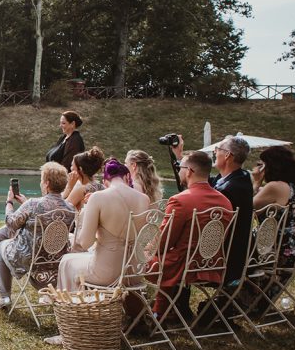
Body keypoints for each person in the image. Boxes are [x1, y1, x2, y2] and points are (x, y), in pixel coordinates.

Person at [0, 162, 75, 311]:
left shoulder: (33, 204)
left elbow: (11, 223)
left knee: (2, 246)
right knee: (8, 233)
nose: (41, 184)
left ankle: (4, 297)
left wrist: (9, 202)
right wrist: (25, 203)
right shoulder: (70, 208)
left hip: (29, 259)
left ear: (47, 184)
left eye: (42, 181)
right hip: (55, 263)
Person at [146, 150, 233, 321]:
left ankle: (151, 313)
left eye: (180, 167)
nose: (178, 170)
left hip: (182, 266)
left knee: (133, 261)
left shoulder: (181, 200)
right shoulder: (225, 201)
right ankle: (163, 311)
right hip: (211, 264)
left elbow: (163, 242)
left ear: (189, 171)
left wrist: (146, 248)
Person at [58, 159, 150, 290]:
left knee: (66, 262)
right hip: (135, 272)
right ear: (127, 176)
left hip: (107, 273)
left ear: (105, 181)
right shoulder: (144, 199)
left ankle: (74, 305)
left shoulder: (98, 197)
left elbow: (85, 243)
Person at [174, 134, 254, 283]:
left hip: (225, 258)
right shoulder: (237, 178)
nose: (215, 152)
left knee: (178, 250)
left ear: (228, 155)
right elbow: (196, 181)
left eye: (218, 149)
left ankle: (177, 303)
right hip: (225, 250)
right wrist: (179, 157)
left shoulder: (232, 188)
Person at [252, 145, 295, 270]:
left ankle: (238, 286)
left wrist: (256, 183)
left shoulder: (274, 186)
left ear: (270, 165)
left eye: (261, 164)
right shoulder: (294, 187)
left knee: (233, 251)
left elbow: (246, 206)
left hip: (280, 253)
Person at [63, 146, 106, 238]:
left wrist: (69, 187)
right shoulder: (102, 187)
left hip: (82, 238)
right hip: (99, 235)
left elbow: (60, 210)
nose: (70, 168)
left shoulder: (81, 189)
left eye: (72, 166)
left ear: (80, 169)